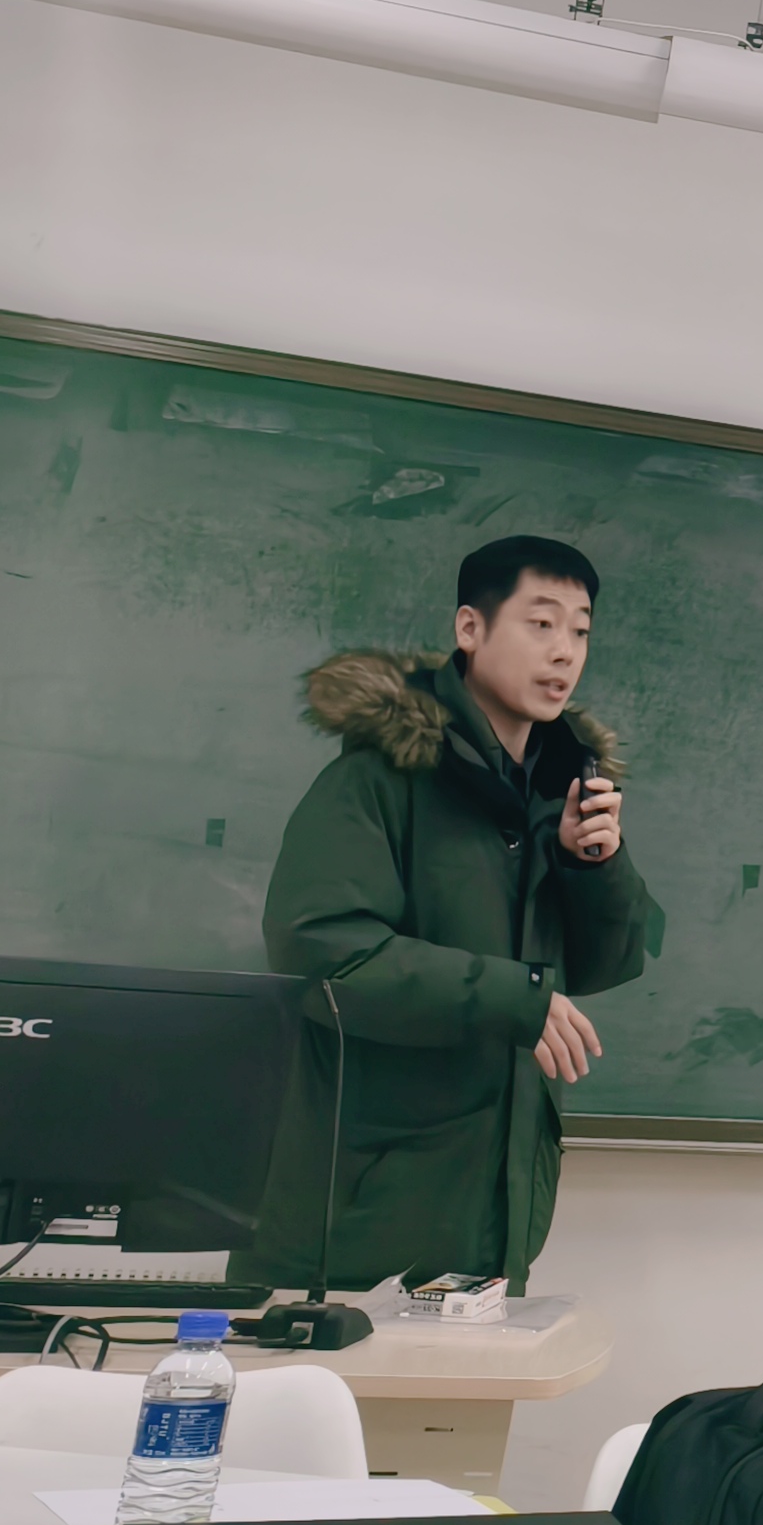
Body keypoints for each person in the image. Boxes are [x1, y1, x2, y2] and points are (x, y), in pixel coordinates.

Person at [238, 535, 652, 1296]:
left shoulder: (555, 793)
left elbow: (609, 963)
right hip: (357, 1229)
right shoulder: (377, 780)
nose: (565, 651)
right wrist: (513, 997)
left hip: (492, 1216)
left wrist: (591, 865)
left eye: (581, 630)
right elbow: (324, 953)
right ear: (470, 629)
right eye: (541, 623)